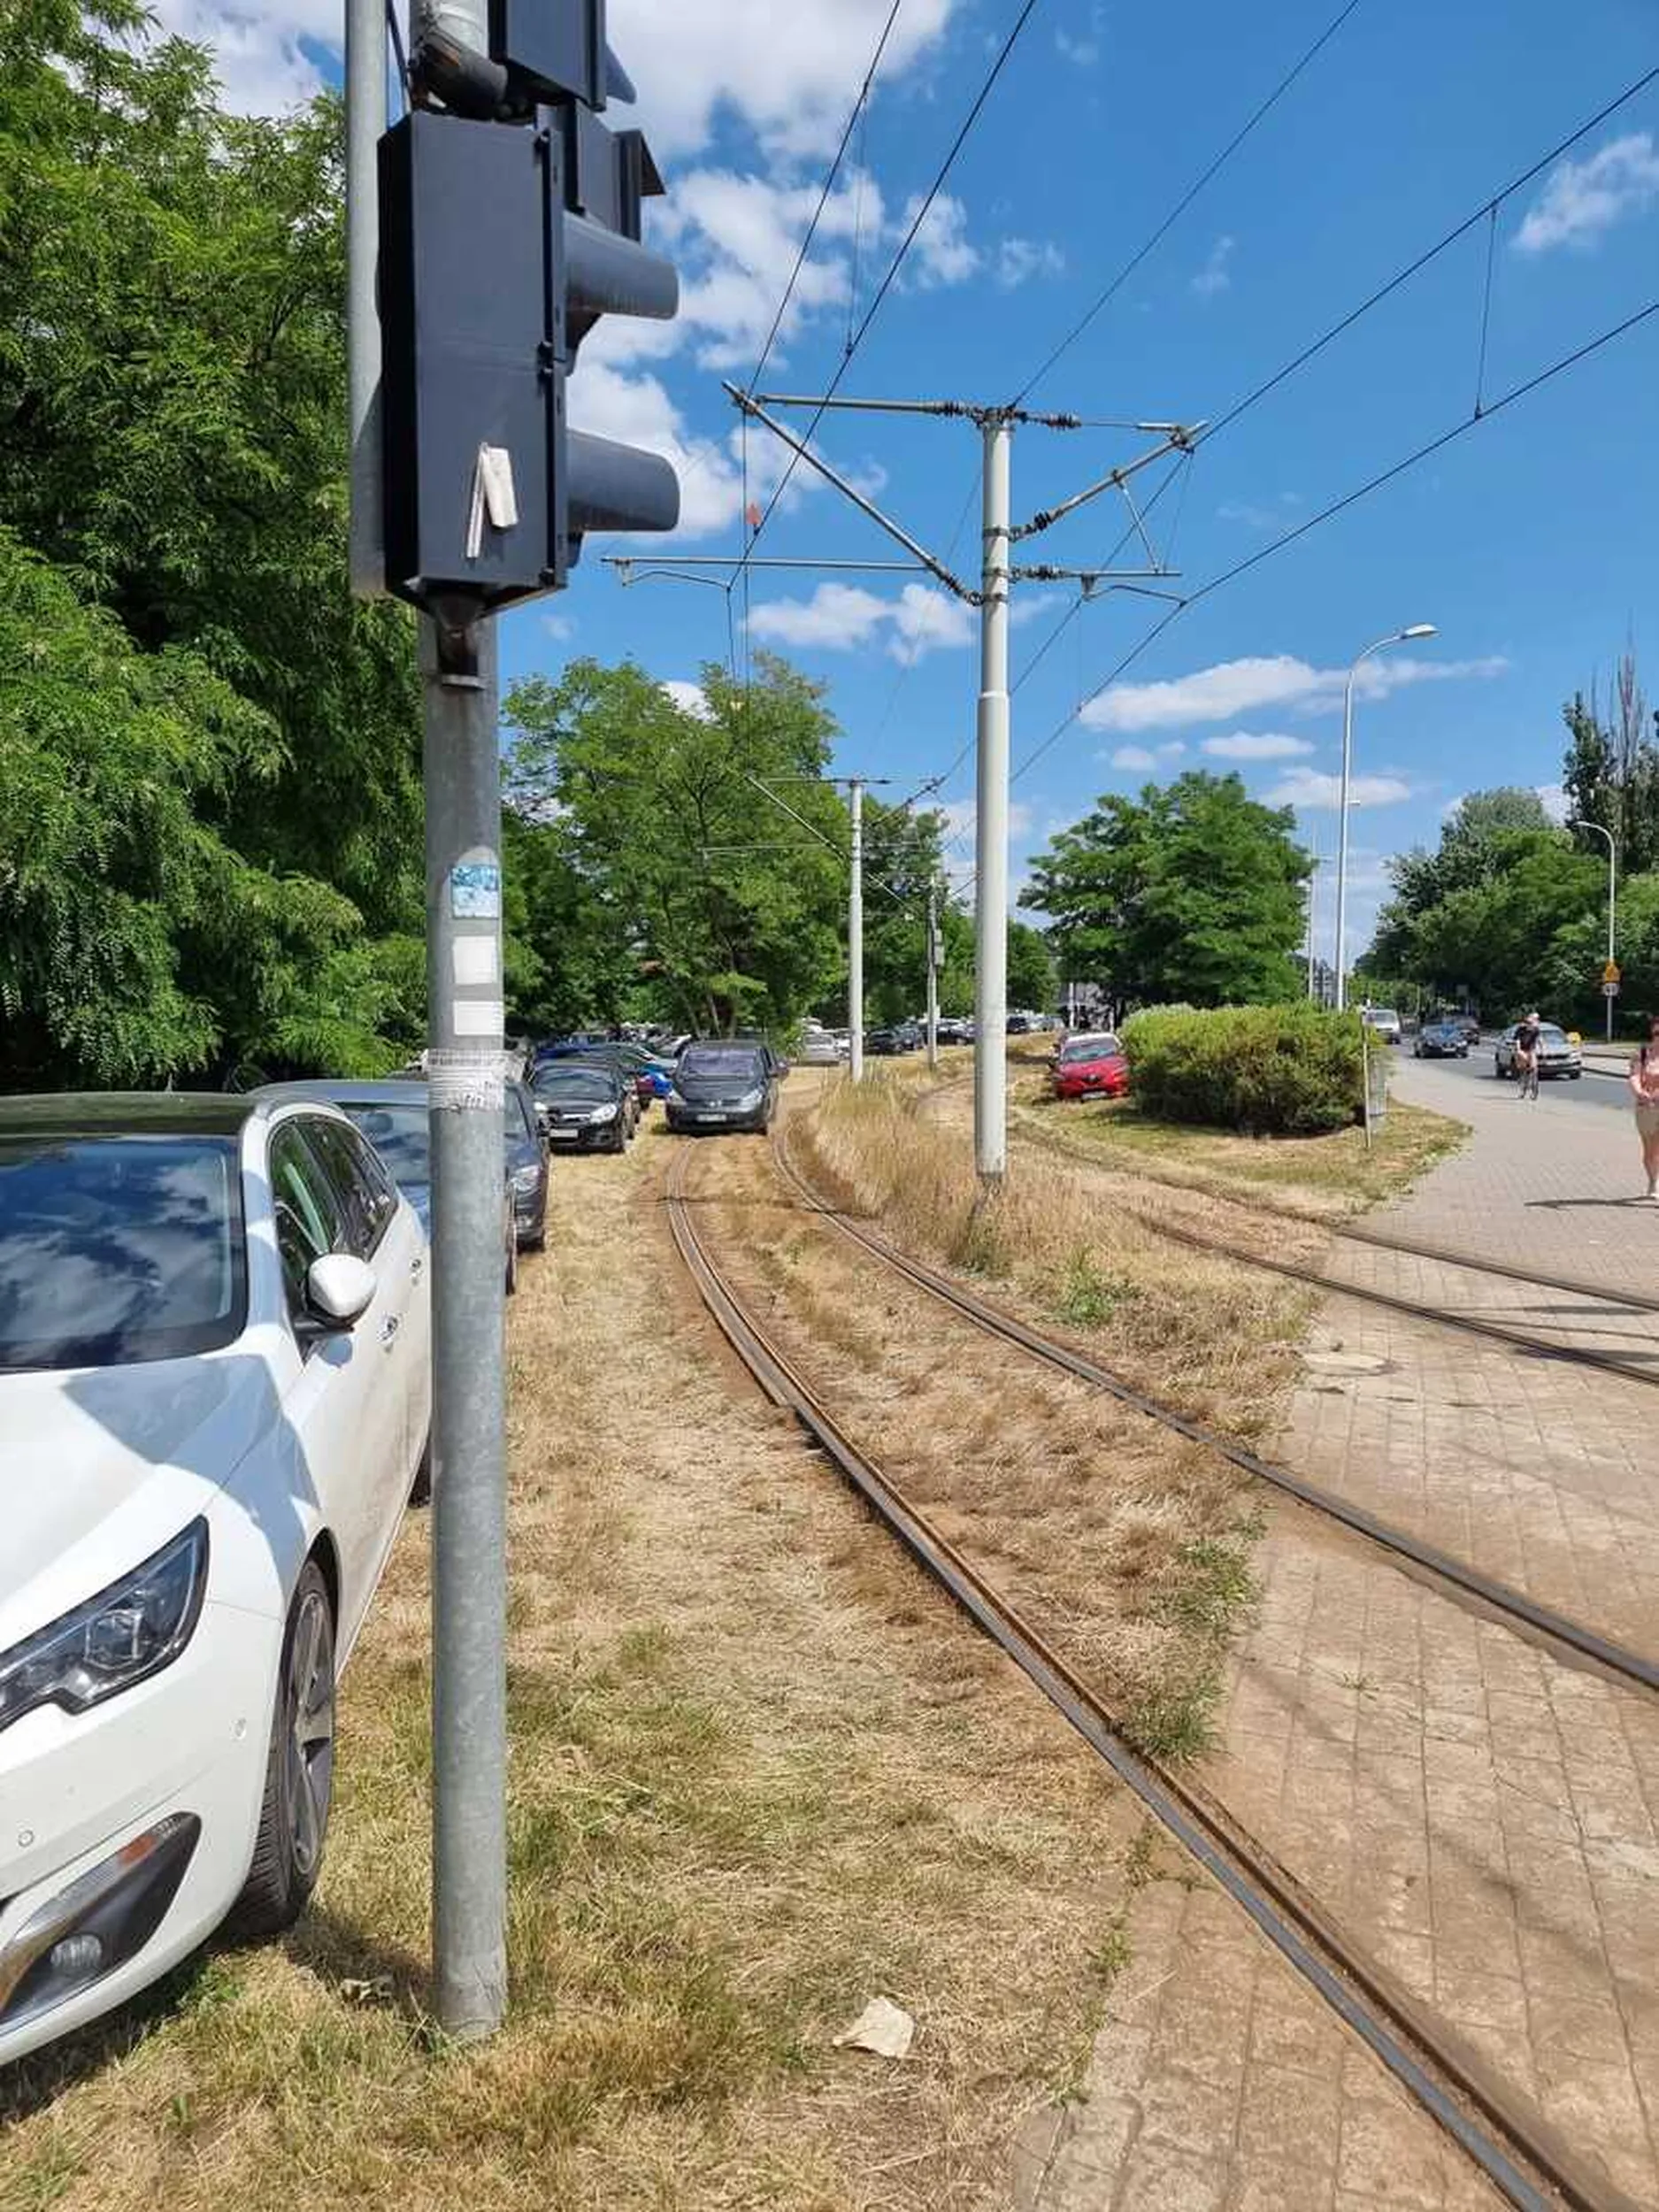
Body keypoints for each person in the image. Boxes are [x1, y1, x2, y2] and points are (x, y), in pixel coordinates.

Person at [1629, 1014, 1659, 1200]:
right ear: (1652, 1032)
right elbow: (1633, 1076)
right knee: (1650, 1151)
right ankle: (1653, 1180)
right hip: (1646, 1107)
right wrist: (1639, 1092)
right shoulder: (1641, 1053)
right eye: (1658, 1032)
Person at [1513, 1010, 1543, 1096]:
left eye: (1531, 1023)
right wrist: (1518, 1049)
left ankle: (1533, 1080)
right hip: (1522, 1050)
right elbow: (1517, 1040)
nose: (1529, 1025)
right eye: (1528, 1023)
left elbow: (1539, 1040)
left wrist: (1542, 1050)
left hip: (1531, 1050)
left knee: (1534, 1065)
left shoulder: (1536, 1030)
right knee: (1521, 1058)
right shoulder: (1520, 1030)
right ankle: (1522, 1075)